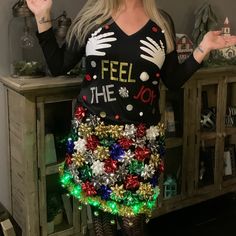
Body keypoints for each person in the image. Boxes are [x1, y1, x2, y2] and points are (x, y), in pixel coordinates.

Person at [26, 0, 236, 235]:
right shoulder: (93, 16)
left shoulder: (161, 22)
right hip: (95, 137)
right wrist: (42, 15)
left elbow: (173, 79)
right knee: (101, 218)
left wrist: (204, 47)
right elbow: (58, 65)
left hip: (141, 141)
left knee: (133, 222)